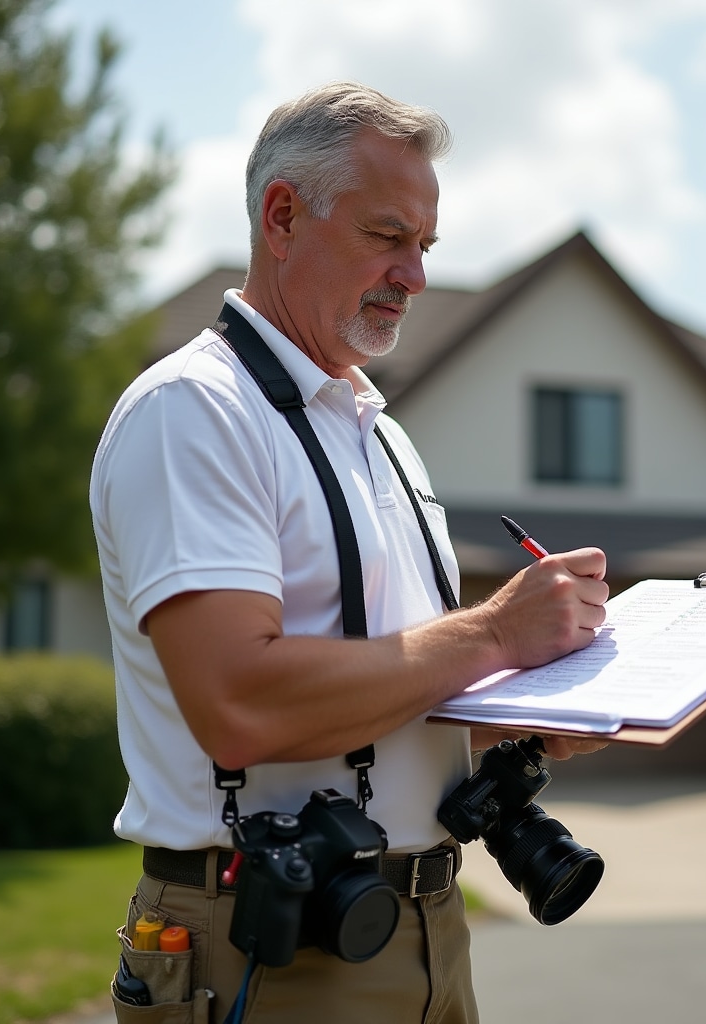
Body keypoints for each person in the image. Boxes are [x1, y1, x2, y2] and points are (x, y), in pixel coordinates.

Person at [90, 81, 608, 1024]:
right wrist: (498, 631)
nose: (415, 274)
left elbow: (400, 683)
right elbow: (240, 705)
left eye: (426, 246)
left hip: (422, 928)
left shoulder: (376, 430)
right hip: (271, 947)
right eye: (388, 236)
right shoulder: (193, 413)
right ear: (282, 217)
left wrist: (536, 714)